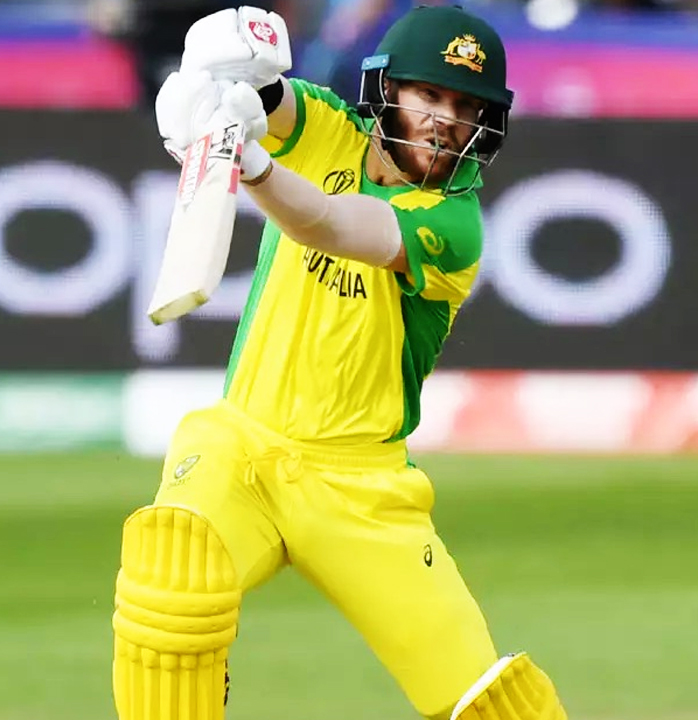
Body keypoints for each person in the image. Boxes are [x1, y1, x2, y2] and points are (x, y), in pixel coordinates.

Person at [111, 5, 569, 720]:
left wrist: (252, 165)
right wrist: (213, 93)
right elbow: (271, 99)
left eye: (466, 108)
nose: (446, 121)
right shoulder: (327, 126)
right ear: (386, 89)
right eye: (429, 95)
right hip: (242, 450)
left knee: (484, 701)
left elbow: (328, 222)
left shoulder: (454, 223)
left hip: (362, 491)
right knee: (174, 567)